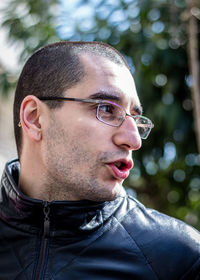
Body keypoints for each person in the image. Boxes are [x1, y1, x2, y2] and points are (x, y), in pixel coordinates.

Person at [0, 41, 199, 280]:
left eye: (135, 119)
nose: (134, 140)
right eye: (106, 109)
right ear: (34, 118)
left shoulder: (180, 259)